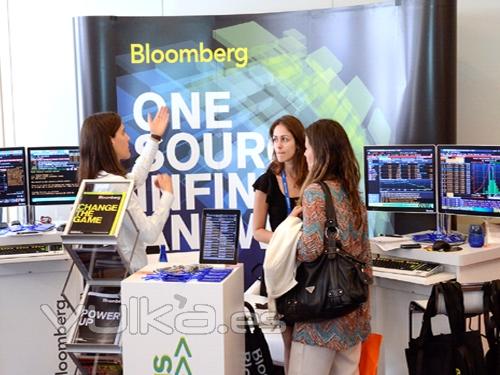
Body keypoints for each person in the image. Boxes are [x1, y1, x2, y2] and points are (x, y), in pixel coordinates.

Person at [288, 119, 371, 375]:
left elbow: (310, 249)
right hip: (352, 311)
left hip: (321, 314)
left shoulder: (315, 192)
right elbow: (364, 254)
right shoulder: (352, 192)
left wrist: (290, 230)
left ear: (321, 151)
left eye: (308, 146)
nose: (304, 153)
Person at [78, 106, 173, 272]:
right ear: (110, 140)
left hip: (109, 278)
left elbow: (134, 178)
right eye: (123, 132)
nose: (128, 138)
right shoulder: (116, 184)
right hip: (132, 278)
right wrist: (167, 195)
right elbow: (149, 234)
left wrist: (154, 138)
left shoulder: (96, 181)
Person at [252, 114, 308, 374]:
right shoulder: (267, 180)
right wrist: (288, 237)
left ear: (299, 142)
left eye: (285, 139)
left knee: (312, 341)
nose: (279, 145)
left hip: (312, 269)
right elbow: (257, 231)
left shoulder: (314, 178)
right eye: (275, 140)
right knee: (290, 341)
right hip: (284, 271)